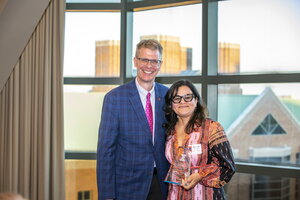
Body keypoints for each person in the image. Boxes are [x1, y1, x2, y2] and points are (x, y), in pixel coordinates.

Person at [97, 39, 169, 200]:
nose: (149, 66)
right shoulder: (114, 98)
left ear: (160, 64)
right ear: (135, 61)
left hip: (162, 184)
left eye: (154, 61)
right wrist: (107, 195)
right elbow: (106, 151)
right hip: (127, 186)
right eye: (144, 60)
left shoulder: (168, 96)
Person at [163, 79, 236, 200]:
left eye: (188, 97)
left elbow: (227, 167)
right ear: (171, 104)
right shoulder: (168, 131)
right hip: (175, 195)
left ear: (196, 100)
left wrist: (199, 176)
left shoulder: (212, 128)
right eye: (176, 98)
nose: (182, 102)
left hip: (205, 195)